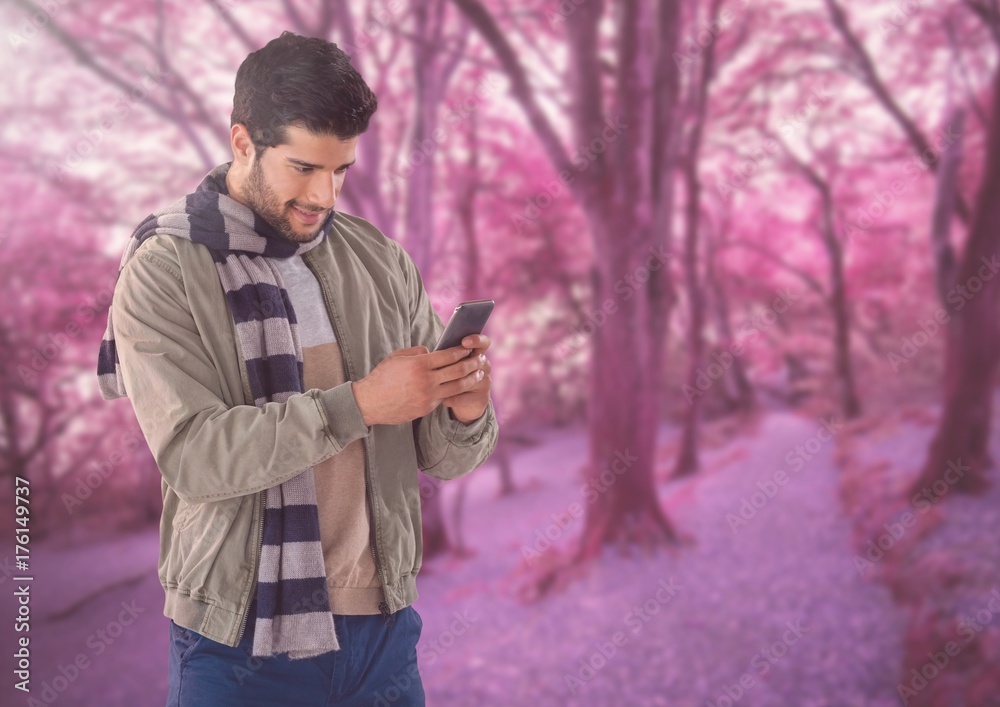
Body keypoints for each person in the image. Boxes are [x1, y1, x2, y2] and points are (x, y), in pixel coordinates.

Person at [96, 31, 498, 706]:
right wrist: (361, 403)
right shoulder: (166, 268)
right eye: (304, 168)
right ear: (242, 142)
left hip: (382, 631)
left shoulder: (378, 259)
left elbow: (441, 457)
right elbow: (195, 456)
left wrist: (464, 404)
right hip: (238, 640)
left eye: (340, 170)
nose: (325, 196)